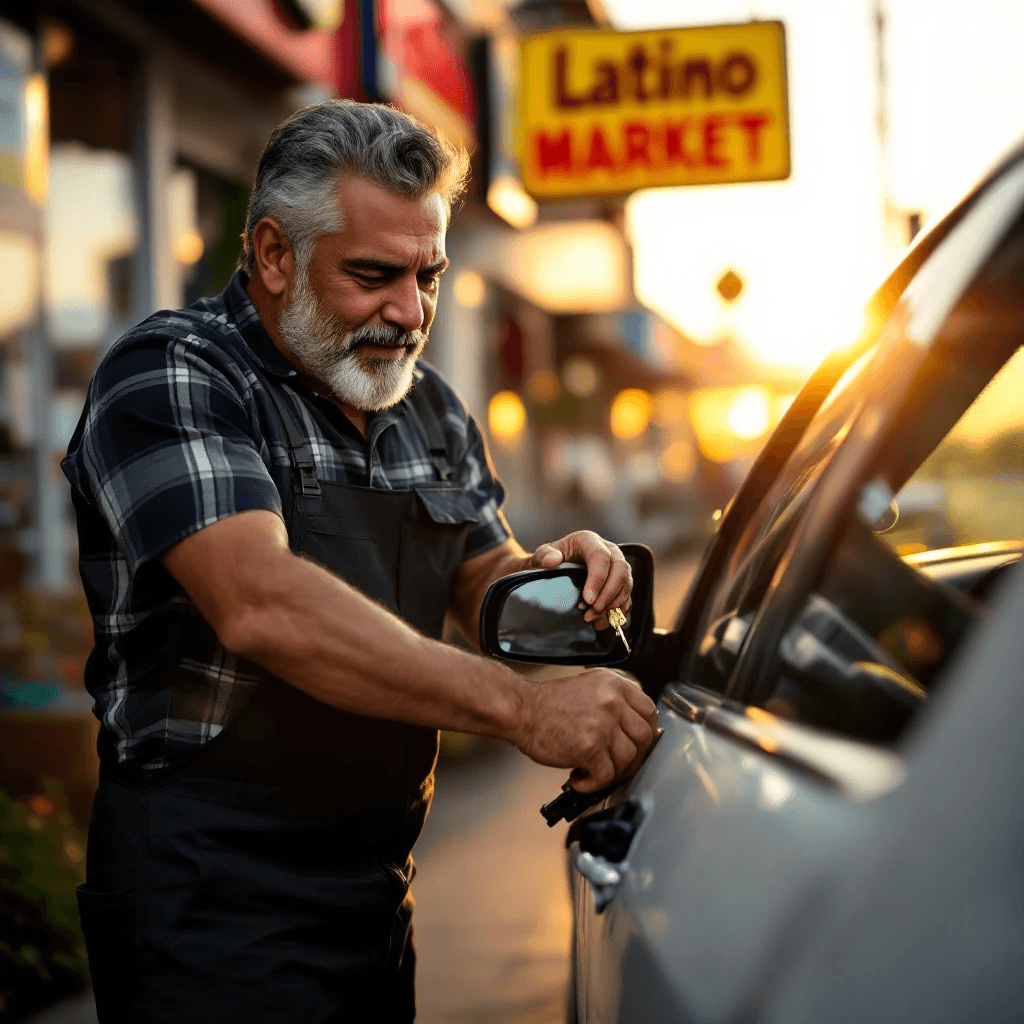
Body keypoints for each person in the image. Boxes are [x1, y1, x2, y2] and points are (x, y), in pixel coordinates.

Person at [62, 100, 660, 1023]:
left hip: (377, 895)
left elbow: (481, 580)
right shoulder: (175, 374)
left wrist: (560, 576)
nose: (411, 313)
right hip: (206, 909)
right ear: (274, 255)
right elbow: (260, 603)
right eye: (374, 275)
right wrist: (526, 710)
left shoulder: (429, 409)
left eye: (429, 276)